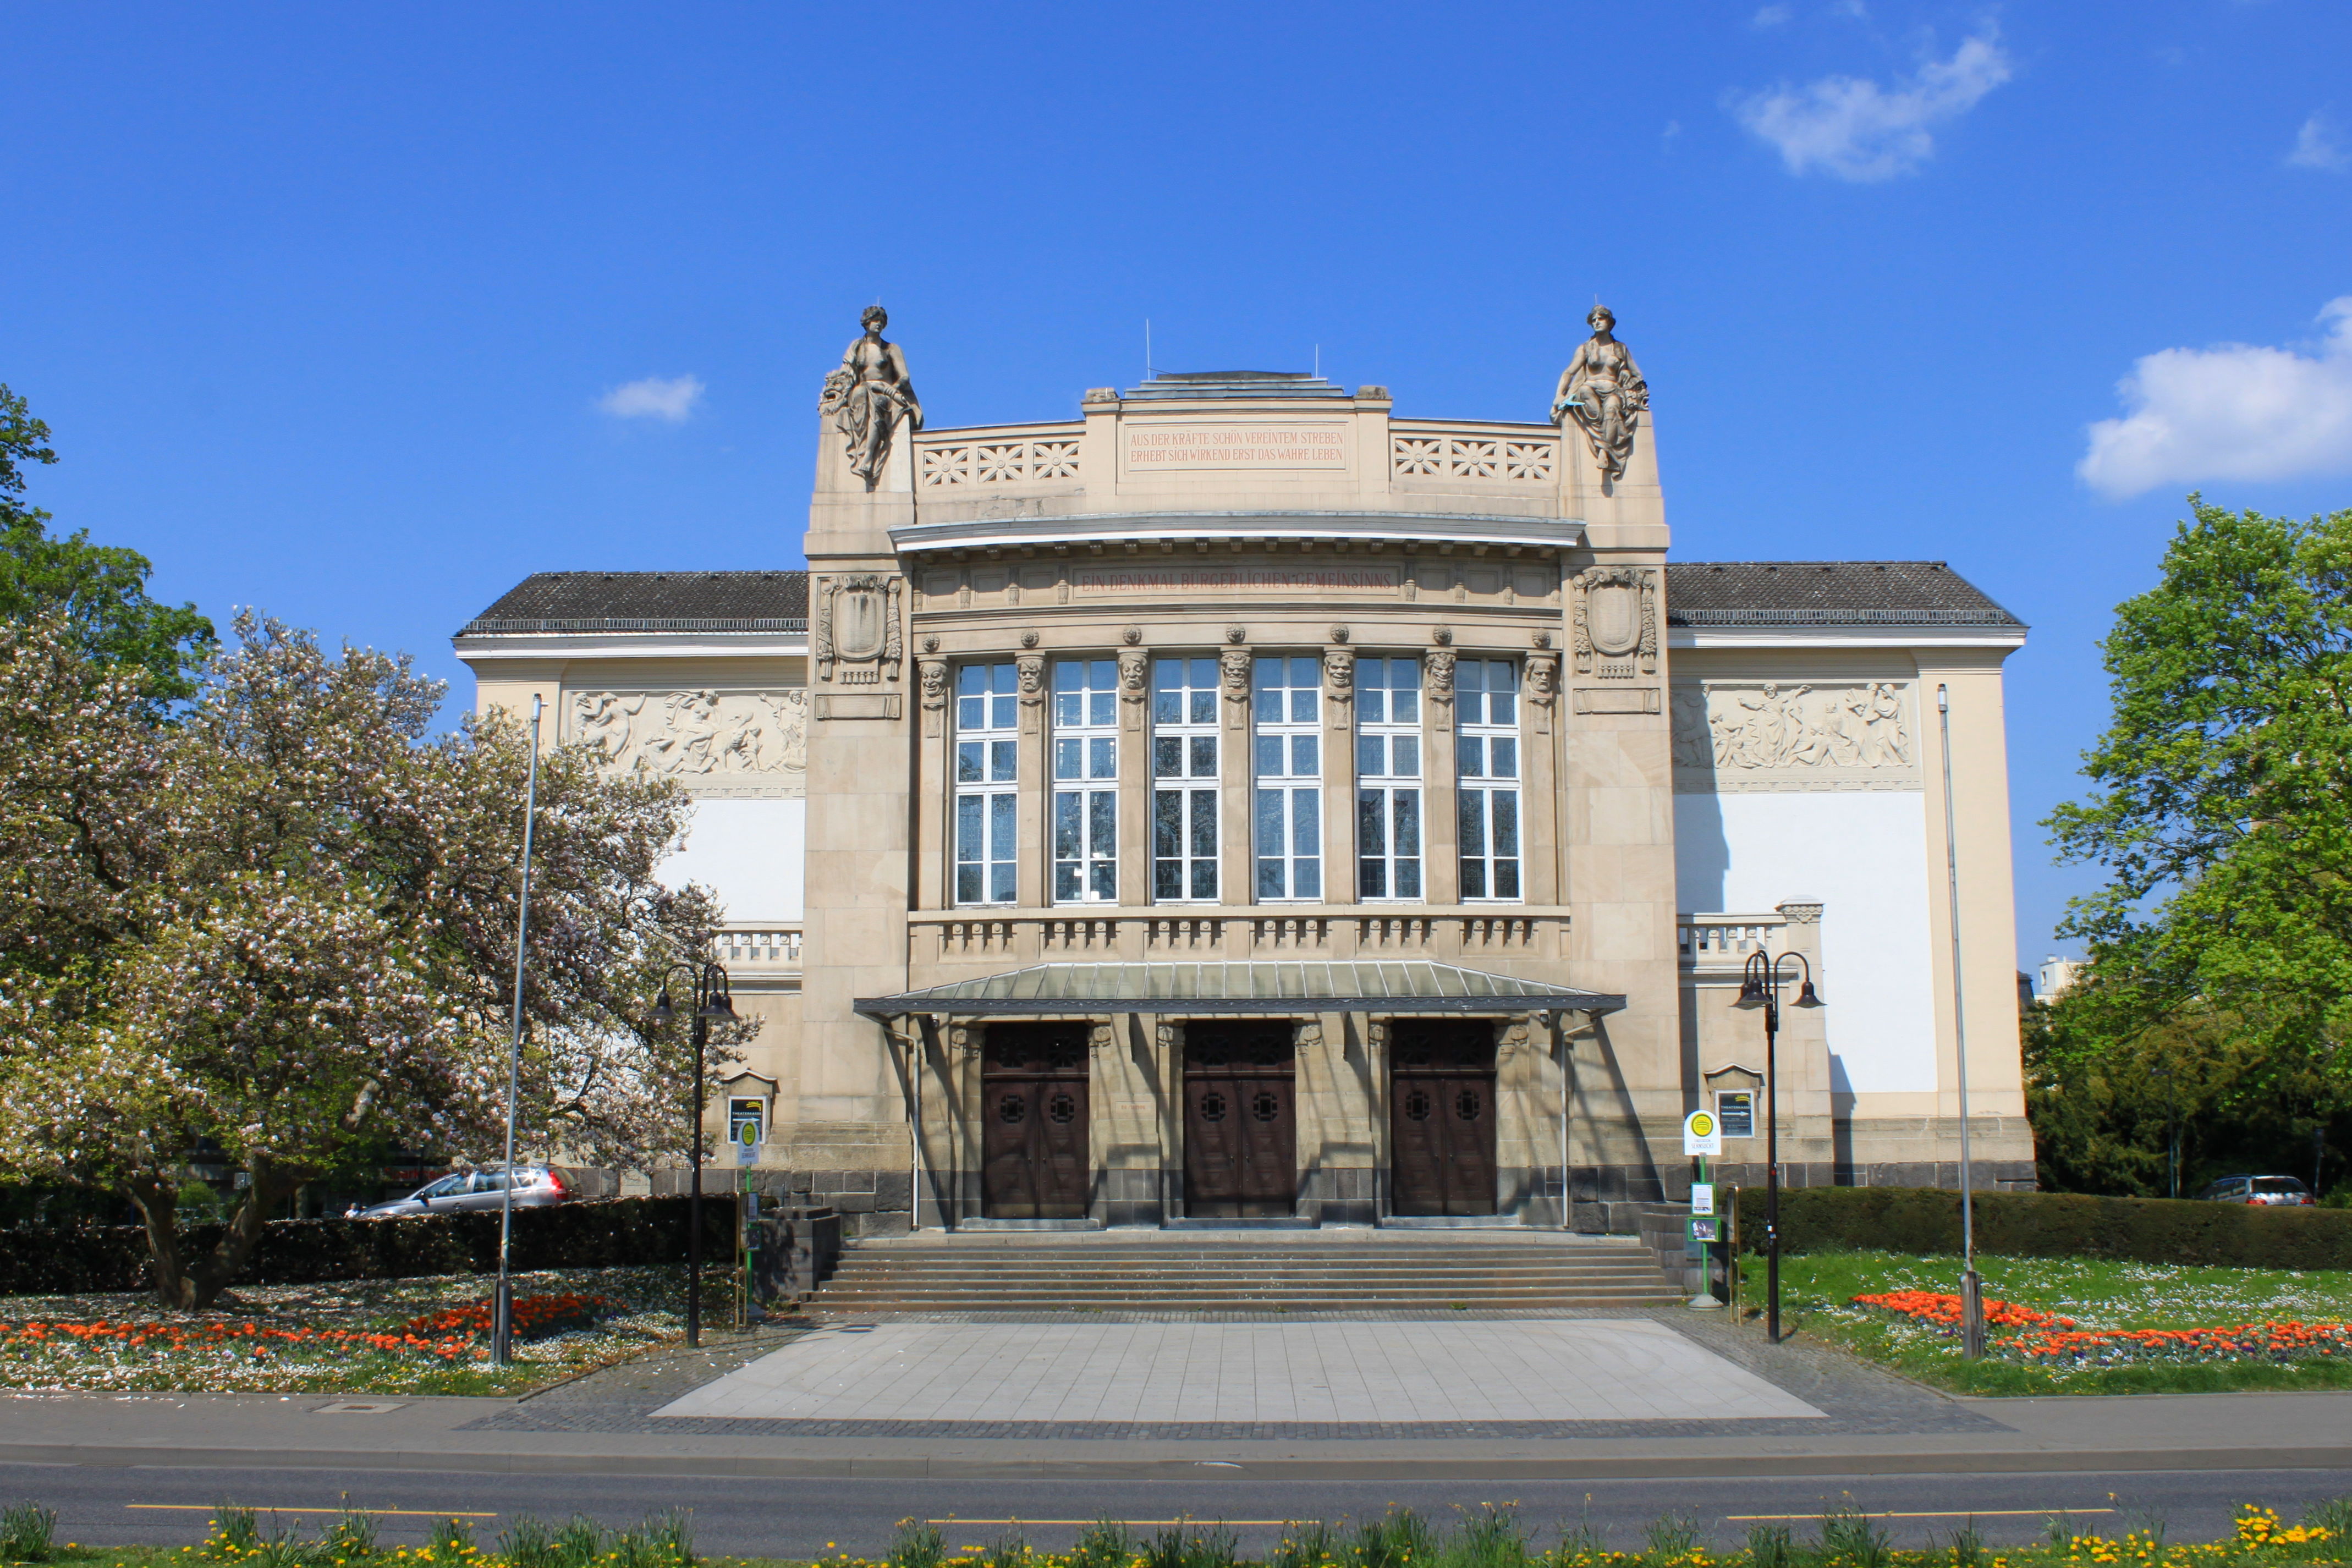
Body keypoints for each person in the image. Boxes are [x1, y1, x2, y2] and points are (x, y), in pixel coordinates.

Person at [824, 305, 922, 488]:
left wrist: (892, 389)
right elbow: (847, 373)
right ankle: (862, 447)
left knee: (877, 402)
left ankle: (868, 455)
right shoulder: (857, 347)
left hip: (884, 391)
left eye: (882, 321)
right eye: (876, 320)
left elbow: (904, 377)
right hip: (862, 390)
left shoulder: (891, 348)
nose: (879, 324)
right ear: (867, 322)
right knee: (861, 393)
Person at [1551, 305, 1648, 482]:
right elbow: (1569, 372)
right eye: (1593, 320)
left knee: (1611, 408)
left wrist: (1627, 375)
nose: (1596, 323)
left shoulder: (1620, 349)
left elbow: (1638, 374)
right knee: (1584, 390)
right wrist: (1559, 395)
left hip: (1613, 390)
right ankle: (1603, 438)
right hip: (1590, 389)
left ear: (1609, 322)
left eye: (1600, 319)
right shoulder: (1586, 348)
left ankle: (1604, 450)